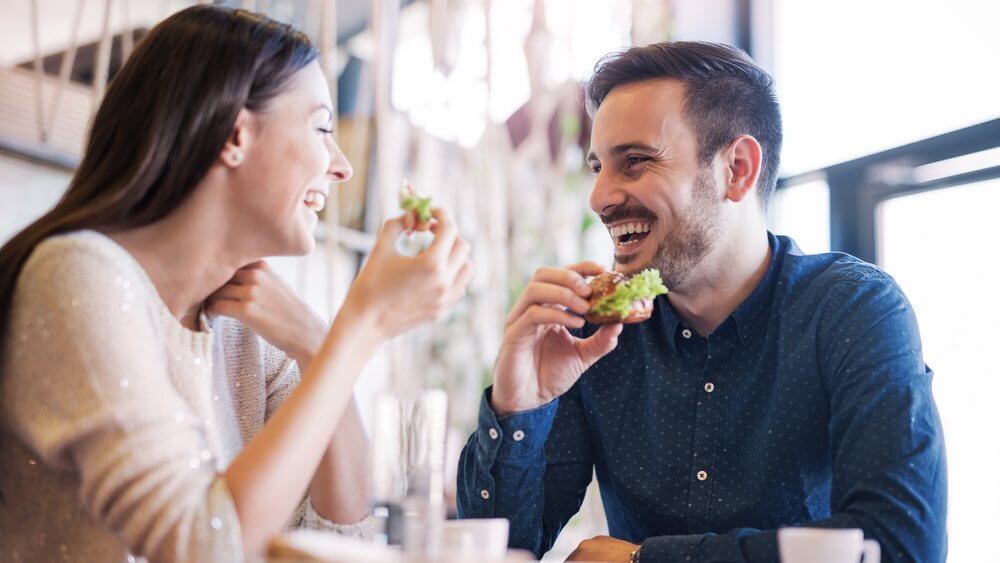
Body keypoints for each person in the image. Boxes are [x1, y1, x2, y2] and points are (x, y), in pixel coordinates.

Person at [0, 6, 472, 562]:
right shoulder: (75, 274)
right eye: (322, 127)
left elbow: (342, 537)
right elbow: (202, 547)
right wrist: (361, 327)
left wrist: (320, 345)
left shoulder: (246, 329)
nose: (341, 165)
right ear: (235, 134)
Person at [457, 41, 945, 563]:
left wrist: (645, 560)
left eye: (635, 161)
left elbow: (899, 544)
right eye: (597, 166)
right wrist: (517, 405)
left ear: (737, 168)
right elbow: (503, 550)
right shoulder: (593, 333)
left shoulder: (852, 309)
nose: (599, 197)